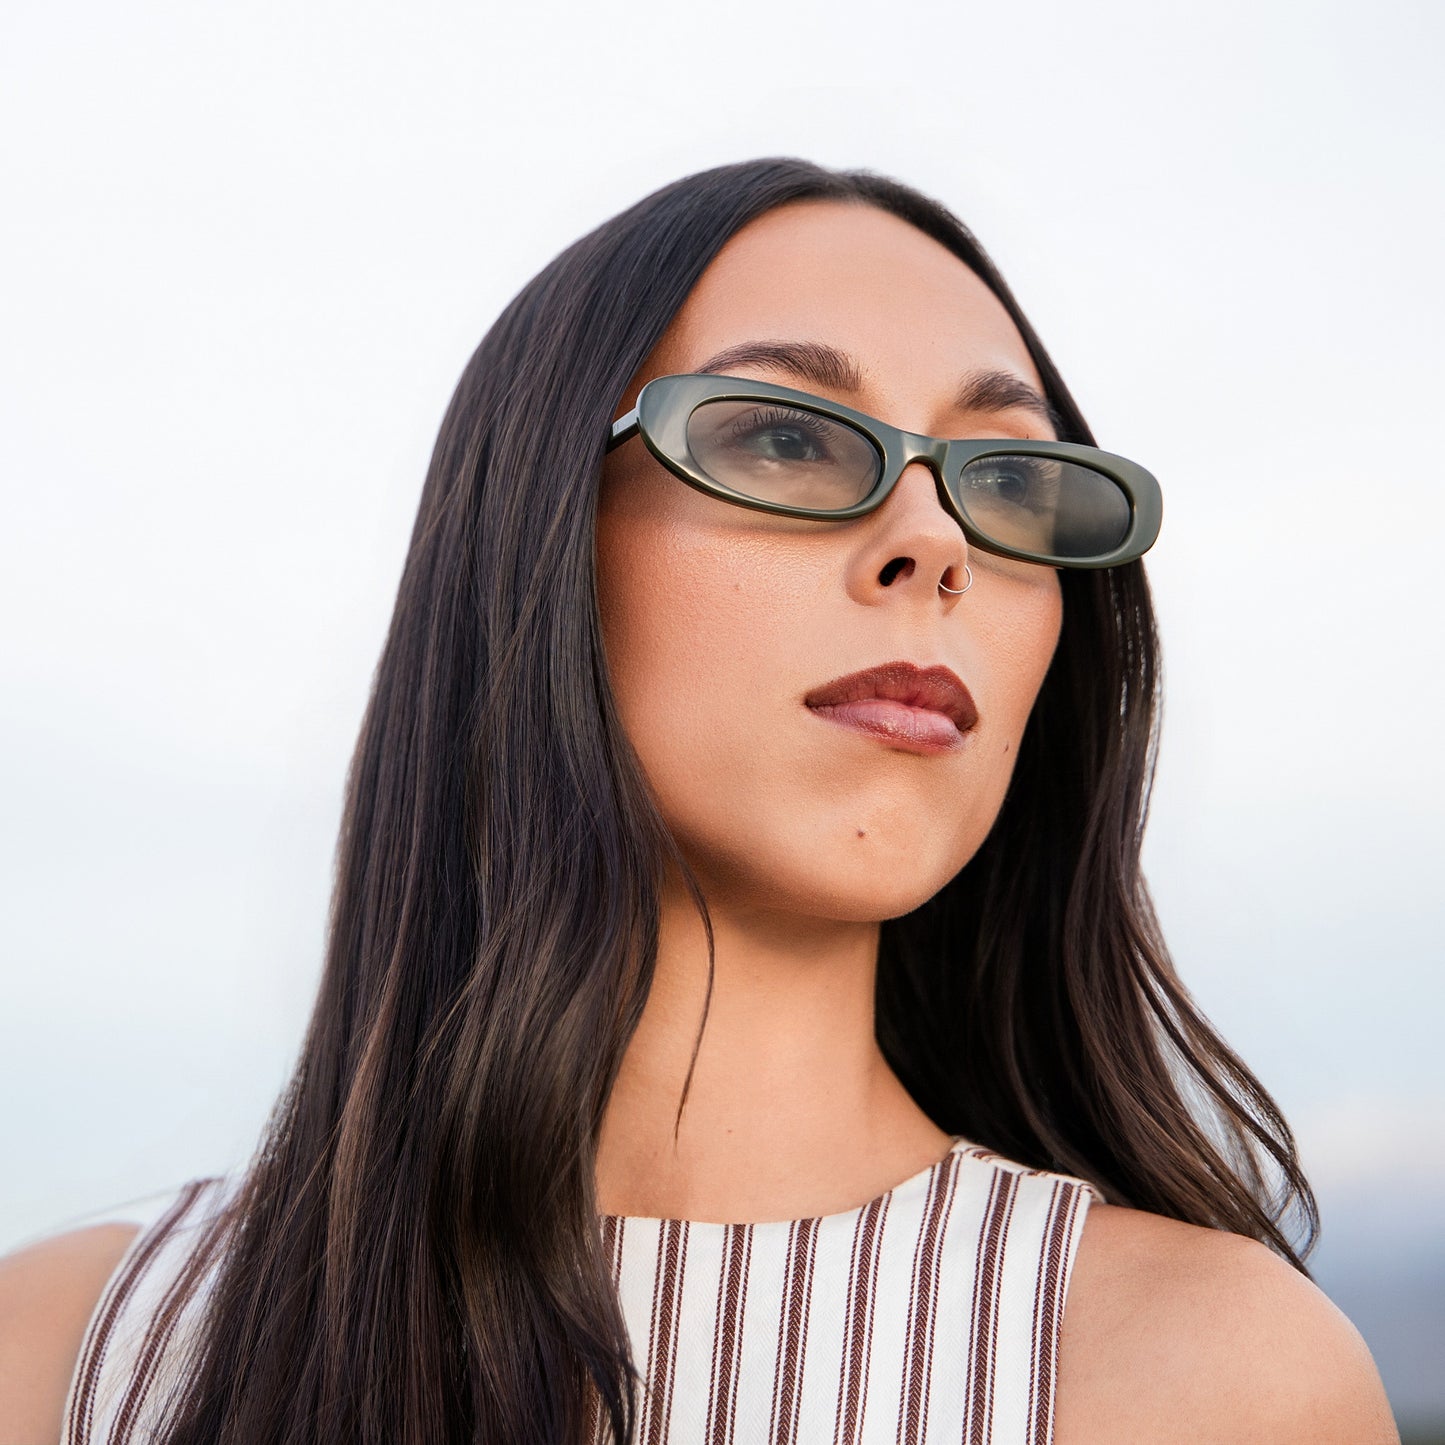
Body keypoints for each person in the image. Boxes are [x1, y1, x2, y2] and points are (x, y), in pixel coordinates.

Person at [0, 159, 1397, 1445]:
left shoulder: (1217, 1380)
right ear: (537, 538)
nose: (933, 538)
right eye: (783, 439)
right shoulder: (65, 1360)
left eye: (1013, 481)